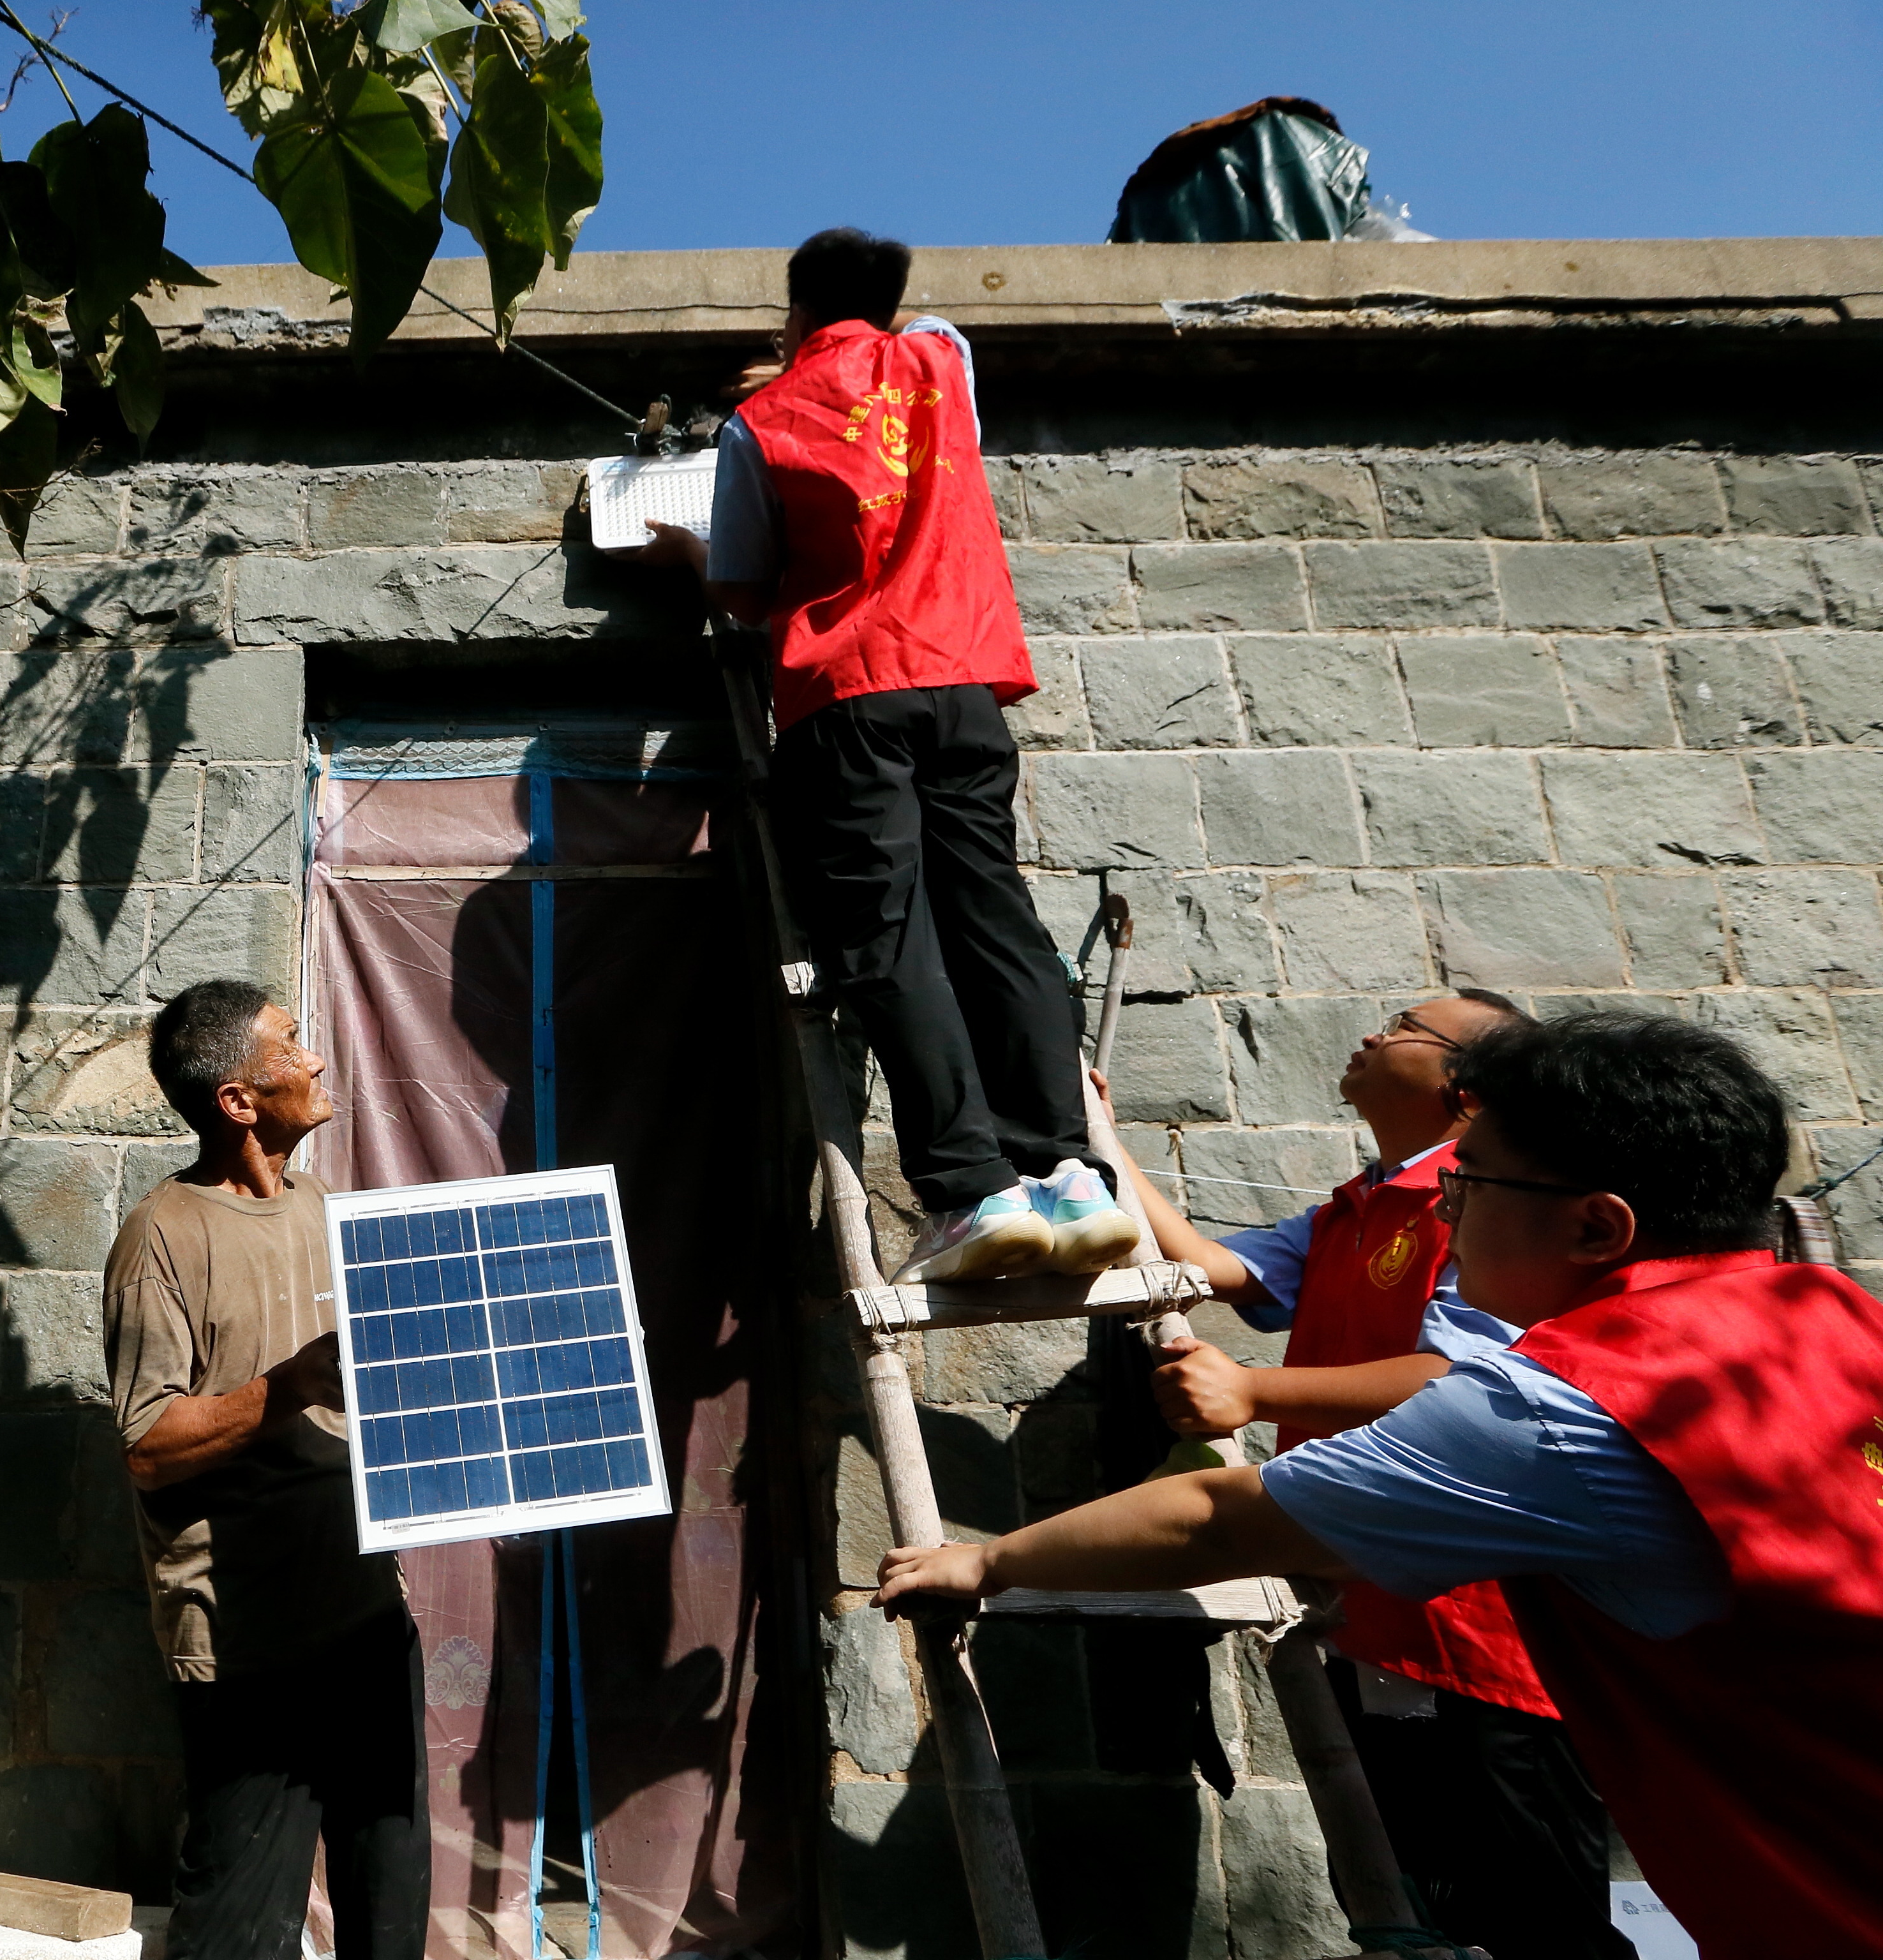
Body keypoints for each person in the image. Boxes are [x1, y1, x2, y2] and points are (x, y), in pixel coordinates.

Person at [876, 1013, 1883, 1960]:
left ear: (1595, 1228)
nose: (1451, 1208)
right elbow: (1226, 1273)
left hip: (1797, 1867)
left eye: (1471, 1189)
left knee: (1535, 1909)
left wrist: (986, 1559)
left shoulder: (1571, 1403)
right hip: (1426, 1629)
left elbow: (1218, 1520)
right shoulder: (1837, 1316)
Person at [617, 226, 1132, 1281]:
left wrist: (689, 549)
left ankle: (971, 1191)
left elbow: (747, 593)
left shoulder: (759, 425)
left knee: (888, 941)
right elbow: (892, 382)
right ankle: (1068, 1173)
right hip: (965, 682)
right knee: (997, 921)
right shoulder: (942, 355)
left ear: (795, 312)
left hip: (849, 696)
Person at [1113, 988, 1635, 1960]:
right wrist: (1104, 1139)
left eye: (1404, 1028)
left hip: (1472, 1618)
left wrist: (1254, 1391)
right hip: (1372, 1608)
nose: (1370, 1035)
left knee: (1534, 1913)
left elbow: (1471, 1376)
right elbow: (1218, 1270)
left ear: (1467, 1091)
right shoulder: (1359, 1206)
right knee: (1434, 1906)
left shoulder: (1485, 1206)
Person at [104, 979, 424, 1960]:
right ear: (238, 1101)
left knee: (391, 1919)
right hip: (251, 1653)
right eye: (292, 1045)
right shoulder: (163, 1237)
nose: (318, 1059)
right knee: (238, 1932)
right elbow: (150, 1447)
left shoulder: (323, 1209)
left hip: (368, 1621)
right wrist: (286, 1388)